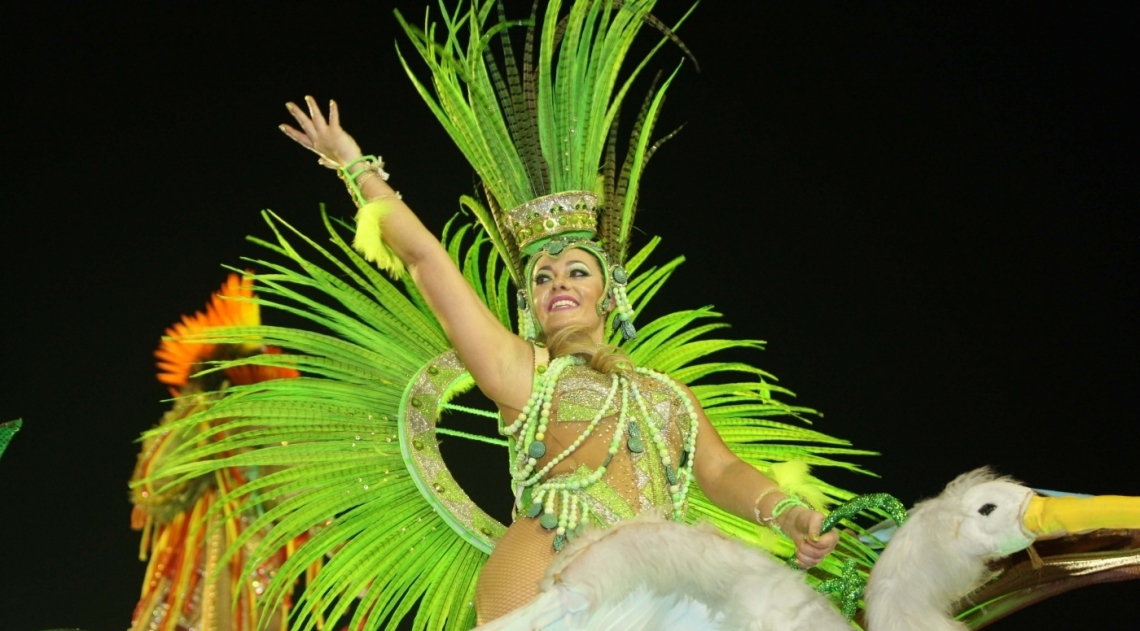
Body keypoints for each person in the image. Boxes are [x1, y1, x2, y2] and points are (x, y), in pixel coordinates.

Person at [279, 95, 839, 623]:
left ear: (610, 291)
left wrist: (789, 514)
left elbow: (720, 471)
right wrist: (355, 167)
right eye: (541, 279)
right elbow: (426, 260)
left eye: (576, 271)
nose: (557, 284)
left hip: (658, 586)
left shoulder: (666, 394)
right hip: (550, 573)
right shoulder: (525, 373)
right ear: (530, 306)